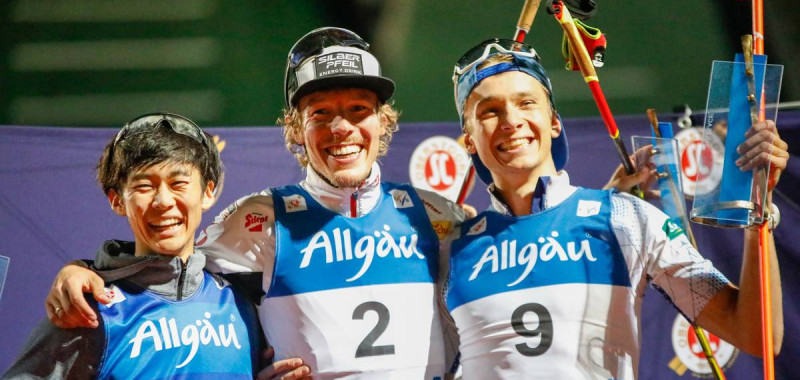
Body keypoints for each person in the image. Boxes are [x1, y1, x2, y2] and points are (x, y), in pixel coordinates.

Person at [443, 38, 787, 379]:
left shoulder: (625, 218)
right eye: (489, 110)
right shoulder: (447, 248)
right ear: (469, 138)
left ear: (554, 121)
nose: (510, 120)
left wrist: (758, 207)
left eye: (526, 103)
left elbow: (756, 335)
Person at [3, 113, 263, 379]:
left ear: (208, 193)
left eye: (178, 184)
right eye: (144, 185)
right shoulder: (88, 311)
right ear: (117, 201)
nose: (163, 201)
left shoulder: (241, 303)